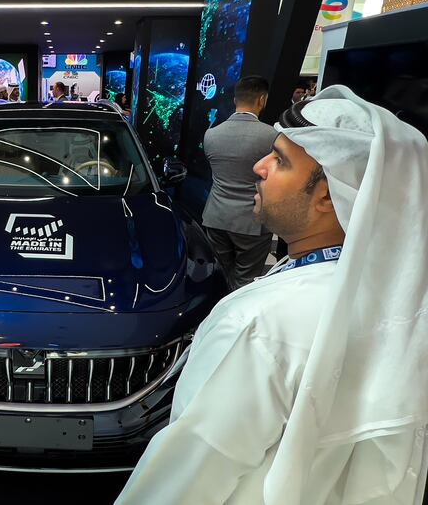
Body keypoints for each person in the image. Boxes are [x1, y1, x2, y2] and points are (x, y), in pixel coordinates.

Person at [116, 84, 428, 504]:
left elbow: (189, 474)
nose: (259, 167)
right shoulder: (406, 303)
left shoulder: (259, 323)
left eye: (280, 161)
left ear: (326, 195)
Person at [201, 76, 278, 290]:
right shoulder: (272, 136)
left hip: (216, 216)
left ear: (235, 100)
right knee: (246, 281)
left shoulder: (211, 135)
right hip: (252, 221)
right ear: (262, 100)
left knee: (219, 275)